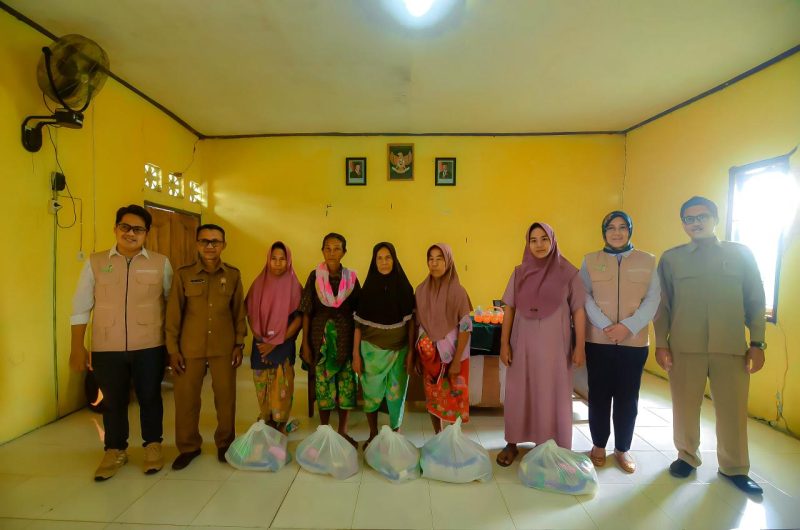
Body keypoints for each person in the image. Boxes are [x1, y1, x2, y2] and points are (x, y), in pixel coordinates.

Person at [654, 196, 766, 495]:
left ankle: (735, 467)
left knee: (732, 410)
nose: (696, 222)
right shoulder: (671, 259)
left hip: (730, 347)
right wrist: (661, 344)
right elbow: (662, 305)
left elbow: (756, 301)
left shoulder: (741, 254)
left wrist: (757, 342)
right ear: (683, 224)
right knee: (685, 407)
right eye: (689, 219)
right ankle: (687, 457)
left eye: (702, 216)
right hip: (684, 347)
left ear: (715, 219)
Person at [69, 204, 172, 481]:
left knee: (150, 397)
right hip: (106, 347)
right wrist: (77, 347)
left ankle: (152, 446)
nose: (131, 233)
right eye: (125, 227)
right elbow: (80, 306)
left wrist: (173, 347)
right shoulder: (96, 262)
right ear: (115, 228)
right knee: (113, 402)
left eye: (138, 229)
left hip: (150, 345)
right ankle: (115, 449)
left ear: (146, 233)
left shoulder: (161, 263)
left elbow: (172, 304)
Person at [497, 222, 586, 466]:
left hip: (555, 348)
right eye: (533, 240)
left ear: (553, 240)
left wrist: (580, 346)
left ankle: (548, 443)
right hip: (522, 345)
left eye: (543, 239)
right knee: (518, 392)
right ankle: (513, 442)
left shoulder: (569, 273)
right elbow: (509, 308)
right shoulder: (519, 272)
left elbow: (579, 310)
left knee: (551, 393)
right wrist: (504, 343)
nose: (539, 245)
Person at [580, 211, 660, 473]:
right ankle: (598, 445)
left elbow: (653, 299)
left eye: (622, 227)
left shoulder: (648, 261)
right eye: (611, 228)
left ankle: (623, 449)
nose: (616, 232)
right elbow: (584, 296)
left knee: (628, 398)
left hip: (633, 342)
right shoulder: (590, 261)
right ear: (604, 232)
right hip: (599, 341)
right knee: (599, 396)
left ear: (630, 230)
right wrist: (605, 325)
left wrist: (629, 326)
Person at [166, 223, 247, 470]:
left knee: (226, 399)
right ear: (197, 244)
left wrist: (239, 344)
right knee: (186, 400)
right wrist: (173, 349)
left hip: (224, 347)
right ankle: (189, 447)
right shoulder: (183, 274)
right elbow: (173, 315)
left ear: (223, 244)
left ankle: (225, 443)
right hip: (189, 349)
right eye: (204, 241)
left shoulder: (232, 274)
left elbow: (238, 313)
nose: (210, 246)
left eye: (215, 241)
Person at [300, 233, 361, 446]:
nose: (332, 253)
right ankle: (324, 432)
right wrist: (305, 343)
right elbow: (306, 311)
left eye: (337, 249)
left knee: (346, 388)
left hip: (345, 340)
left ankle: (342, 432)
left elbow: (359, 313)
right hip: (321, 342)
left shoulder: (351, 278)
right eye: (328, 248)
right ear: (322, 251)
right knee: (323, 388)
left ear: (344, 252)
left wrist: (357, 349)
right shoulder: (314, 276)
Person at [352, 242, 415, 448]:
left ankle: (396, 434)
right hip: (371, 352)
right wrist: (355, 355)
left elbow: (412, 322)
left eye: (388, 257)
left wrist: (411, 352)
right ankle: (372, 434)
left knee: (396, 395)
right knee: (370, 394)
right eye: (379, 258)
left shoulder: (405, 287)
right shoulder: (368, 289)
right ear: (374, 261)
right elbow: (359, 325)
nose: (384, 262)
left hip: (399, 351)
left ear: (394, 259)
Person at [413, 243, 472, 434]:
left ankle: (453, 438)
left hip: (456, 357)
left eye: (440, 259)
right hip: (431, 359)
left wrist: (455, 362)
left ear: (448, 262)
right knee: (434, 398)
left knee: (455, 399)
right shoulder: (421, 291)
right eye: (431, 259)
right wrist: (418, 355)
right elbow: (417, 325)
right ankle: (439, 436)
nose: (435, 263)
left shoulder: (458, 292)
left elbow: (465, 328)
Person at [245, 242, 302, 433]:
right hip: (260, 345)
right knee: (262, 386)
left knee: (281, 388)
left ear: (288, 261)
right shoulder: (259, 283)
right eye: (274, 259)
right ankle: (267, 421)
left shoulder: (294, 285)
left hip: (283, 345)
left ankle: (280, 424)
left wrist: (275, 342)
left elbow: (298, 320)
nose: (277, 263)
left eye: (282, 259)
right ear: (268, 260)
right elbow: (250, 313)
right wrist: (262, 339)